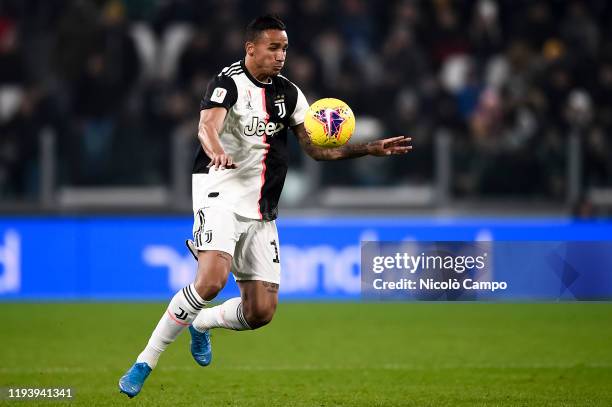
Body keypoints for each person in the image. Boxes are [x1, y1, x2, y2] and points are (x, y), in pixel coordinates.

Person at [119, 14, 411, 398]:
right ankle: (145, 361)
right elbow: (206, 126)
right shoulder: (227, 83)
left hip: (262, 206)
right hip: (218, 188)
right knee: (211, 280)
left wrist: (367, 149)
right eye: (273, 47)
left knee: (261, 313)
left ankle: (202, 323)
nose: (280, 55)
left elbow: (314, 150)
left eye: (285, 48)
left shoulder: (288, 94)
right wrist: (218, 152)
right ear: (251, 47)